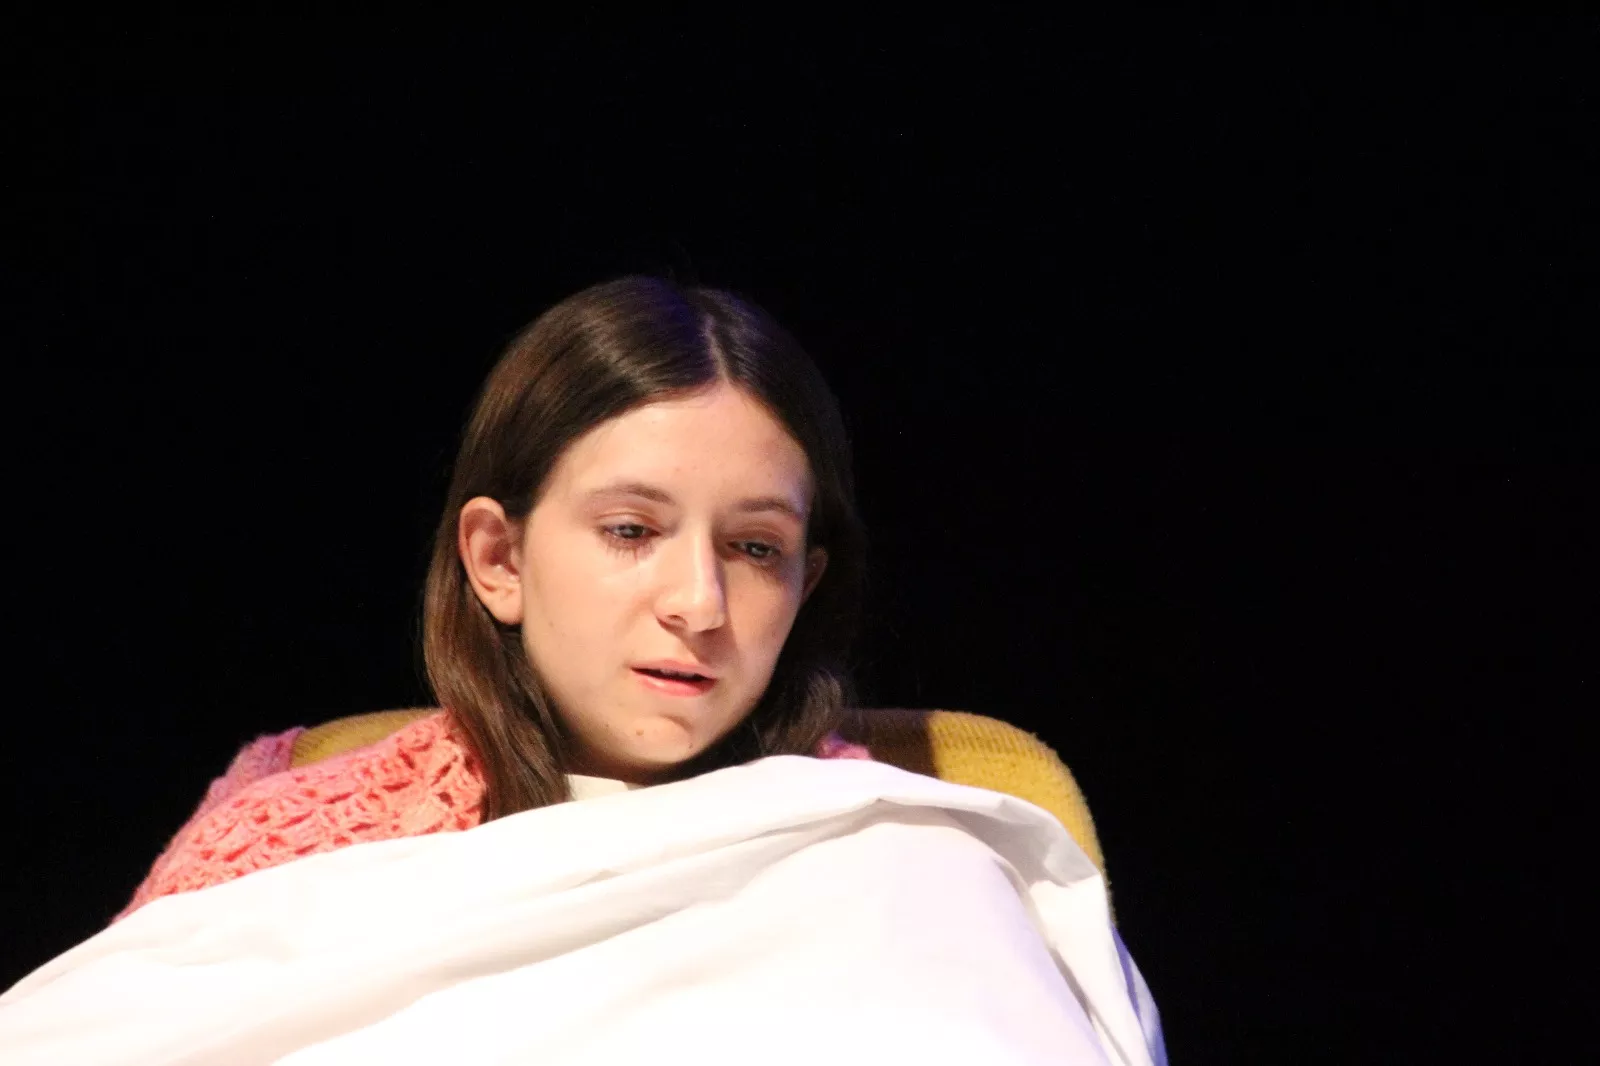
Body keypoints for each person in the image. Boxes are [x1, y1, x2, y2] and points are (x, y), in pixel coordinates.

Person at [113, 275, 876, 920]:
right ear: (498, 559)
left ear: (805, 584)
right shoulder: (280, 853)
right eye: (631, 530)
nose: (699, 603)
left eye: (754, 549)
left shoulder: (883, 850)